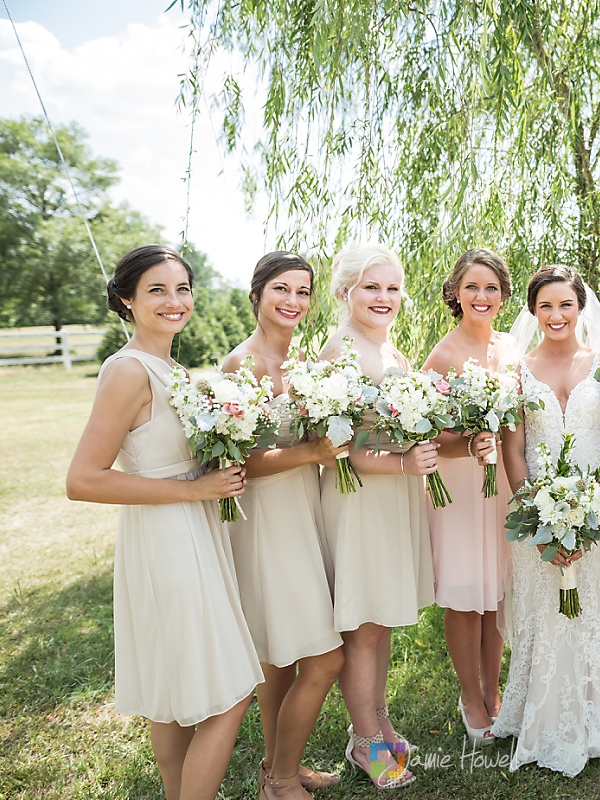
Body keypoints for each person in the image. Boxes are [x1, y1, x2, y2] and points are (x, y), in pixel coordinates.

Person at [66, 245, 261, 800]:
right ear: (126, 300)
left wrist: (219, 457)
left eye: (182, 289)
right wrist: (195, 488)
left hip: (196, 528)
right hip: (167, 538)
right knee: (230, 690)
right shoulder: (128, 371)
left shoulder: (174, 370)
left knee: (176, 689)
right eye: (156, 290)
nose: (174, 301)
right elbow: (84, 479)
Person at [492, 265, 600, 777]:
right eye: (545, 305)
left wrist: (594, 512)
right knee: (544, 610)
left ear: (581, 308)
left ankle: (595, 710)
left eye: (565, 305)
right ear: (532, 310)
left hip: (598, 511)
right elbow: (514, 453)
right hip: (534, 514)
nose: (555, 315)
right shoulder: (517, 372)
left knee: (592, 606)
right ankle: (540, 715)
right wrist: (537, 520)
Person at [222, 252, 345, 799]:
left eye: (302, 292)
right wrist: (311, 452)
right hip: (266, 521)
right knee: (325, 657)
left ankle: (276, 765)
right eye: (281, 289)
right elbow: (236, 465)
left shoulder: (303, 364)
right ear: (257, 295)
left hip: (304, 510)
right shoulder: (240, 366)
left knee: (278, 658)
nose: (293, 301)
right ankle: (283, 779)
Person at [318, 242, 436, 790]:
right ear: (346, 292)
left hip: (392, 493)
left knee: (380, 620)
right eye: (371, 287)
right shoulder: (341, 351)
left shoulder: (395, 354)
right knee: (363, 625)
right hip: (360, 496)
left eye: (391, 287)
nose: (382, 297)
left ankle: (380, 721)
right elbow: (341, 448)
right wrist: (406, 461)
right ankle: (365, 741)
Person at [422, 248, 517, 746]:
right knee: (465, 595)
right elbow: (423, 431)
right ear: (456, 293)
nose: (482, 296)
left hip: (499, 485)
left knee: (494, 591)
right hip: (460, 488)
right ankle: (469, 696)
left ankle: (493, 691)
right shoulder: (443, 355)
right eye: (472, 287)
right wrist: (468, 443)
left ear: (503, 295)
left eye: (491, 288)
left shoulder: (511, 348)